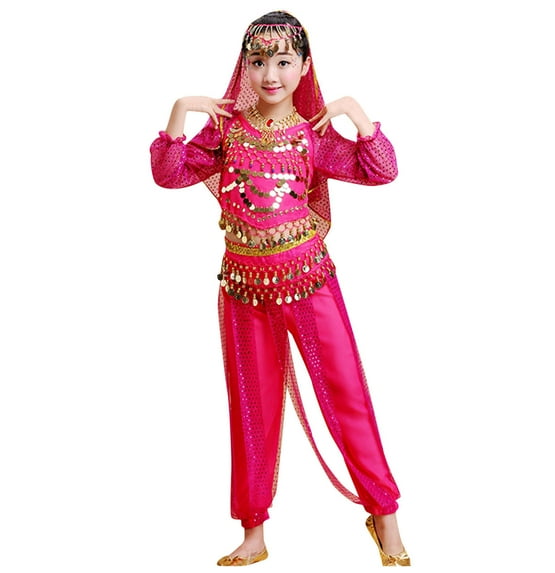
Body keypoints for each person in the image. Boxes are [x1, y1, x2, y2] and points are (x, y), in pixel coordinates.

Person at [150, 10, 410, 568]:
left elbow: (382, 170)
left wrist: (355, 113)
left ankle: (384, 516)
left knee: (347, 395)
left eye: (284, 61)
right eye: (259, 60)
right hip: (244, 291)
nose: (270, 74)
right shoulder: (226, 130)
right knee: (252, 406)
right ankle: (254, 532)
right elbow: (170, 174)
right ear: (245, 66)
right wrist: (179, 111)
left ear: (304, 66)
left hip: (310, 283)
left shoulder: (313, 135)